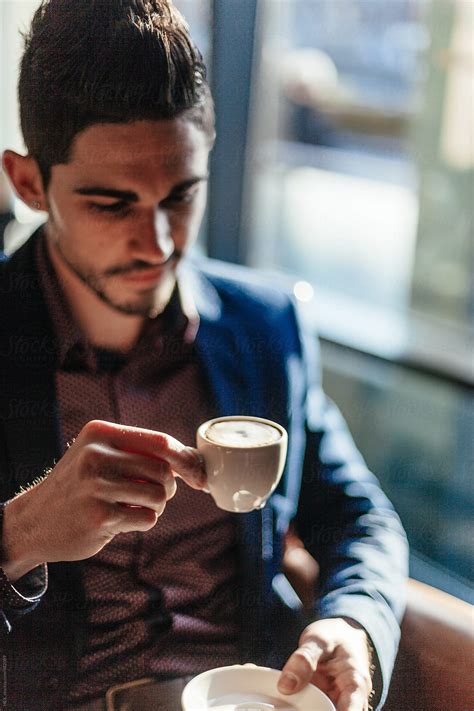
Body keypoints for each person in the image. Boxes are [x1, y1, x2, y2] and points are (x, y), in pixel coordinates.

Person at [0, 2, 408, 709]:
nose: (158, 243)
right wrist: (22, 532)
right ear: (29, 183)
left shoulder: (267, 326)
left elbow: (357, 514)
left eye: (181, 194)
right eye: (111, 203)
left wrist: (354, 621)